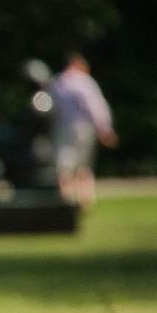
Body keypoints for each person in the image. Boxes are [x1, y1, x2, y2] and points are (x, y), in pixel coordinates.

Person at [50, 53, 117, 207]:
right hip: (84, 127)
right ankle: (85, 199)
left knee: (64, 163)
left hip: (63, 127)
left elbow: (52, 109)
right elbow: (96, 106)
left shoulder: (57, 82)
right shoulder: (85, 82)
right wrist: (105, 129)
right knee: (84, 164)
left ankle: (65, 198)